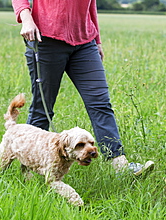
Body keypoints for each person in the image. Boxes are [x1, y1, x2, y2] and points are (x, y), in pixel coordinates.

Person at [11, 0, 154, 175]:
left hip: (85, 42)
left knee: (100, 103)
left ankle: (121, 166)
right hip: (46, 38)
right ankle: (28, 170)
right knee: (43, 108)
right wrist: (26, 18)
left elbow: (90, 4)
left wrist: (97, 40)